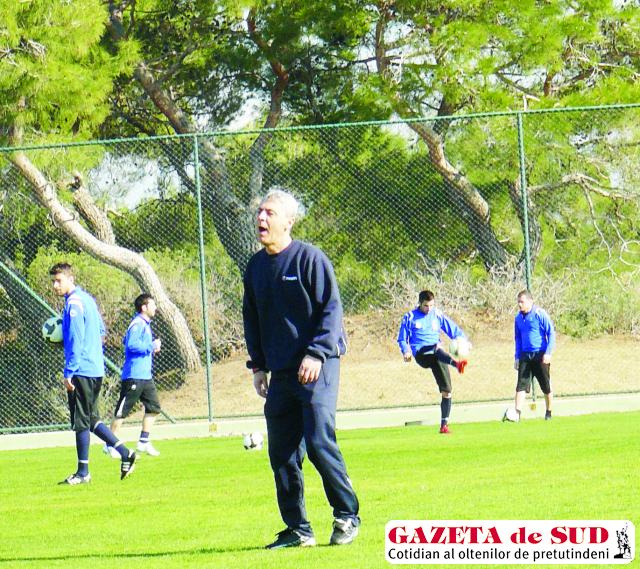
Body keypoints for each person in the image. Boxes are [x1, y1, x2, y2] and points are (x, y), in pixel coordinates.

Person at [242, 188, 360, 549]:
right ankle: (298, 529)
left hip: (318, 365)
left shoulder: (310, 259)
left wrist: (317, 353)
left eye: (270, 213)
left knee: (319, 441)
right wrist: (258, 366)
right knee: (281, 452)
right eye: (260, 212)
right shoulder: (256, 267)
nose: (261, 218)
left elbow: (331, 310)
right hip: (281, 372)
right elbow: (252, 319)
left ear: (288, 222)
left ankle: (346, 515)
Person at [49, 262, 136, 484]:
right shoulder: (87, 299)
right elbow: (101, 331)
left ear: (70, 279)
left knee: (81, 422)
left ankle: (83, 472)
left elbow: (76, 339)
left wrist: (69, 371)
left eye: (58, 280)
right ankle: (125, 453)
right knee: (91, 419)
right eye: (53, 281)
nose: (55, 285)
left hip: (82, 370)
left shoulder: (74, 304)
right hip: (95, 368)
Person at [397, 290, 469, 434]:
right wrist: (406, 351)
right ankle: (457, 364)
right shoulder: (410, 317)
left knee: (447, 391)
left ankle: (444, 426)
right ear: (420, 303)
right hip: (422, 354)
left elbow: (453, 329)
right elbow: (402, 338)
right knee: (436, 347)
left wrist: (464, 341)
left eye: (431, 305)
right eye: (426, 306)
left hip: (438, 355)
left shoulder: (437, 314)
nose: (429, 309)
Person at [103, 293, 163, 459]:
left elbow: (127, 341)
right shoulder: (138, 324)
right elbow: (131, 345)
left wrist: (150, 348)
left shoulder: (144, 324)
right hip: (134, 376)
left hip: (145, 376)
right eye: (152, 304)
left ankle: (143, 441)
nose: (155, 307)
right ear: (144, 307)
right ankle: (109, 444)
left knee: (154, 408)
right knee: (122, 412)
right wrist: (151, 346)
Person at [508, 289, 555, 422]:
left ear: (530, 301)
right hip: (525, 356)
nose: (519, 304)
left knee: (546, 386)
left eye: (522, 302)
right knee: (521, 385)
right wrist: (517, 357)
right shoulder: (518, 318)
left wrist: (548, 353)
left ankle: (549, 412)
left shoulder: (539, 314)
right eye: (518, 302)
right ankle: (517, 414)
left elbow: (551, 333)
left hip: (540, 354)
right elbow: (518, 339)